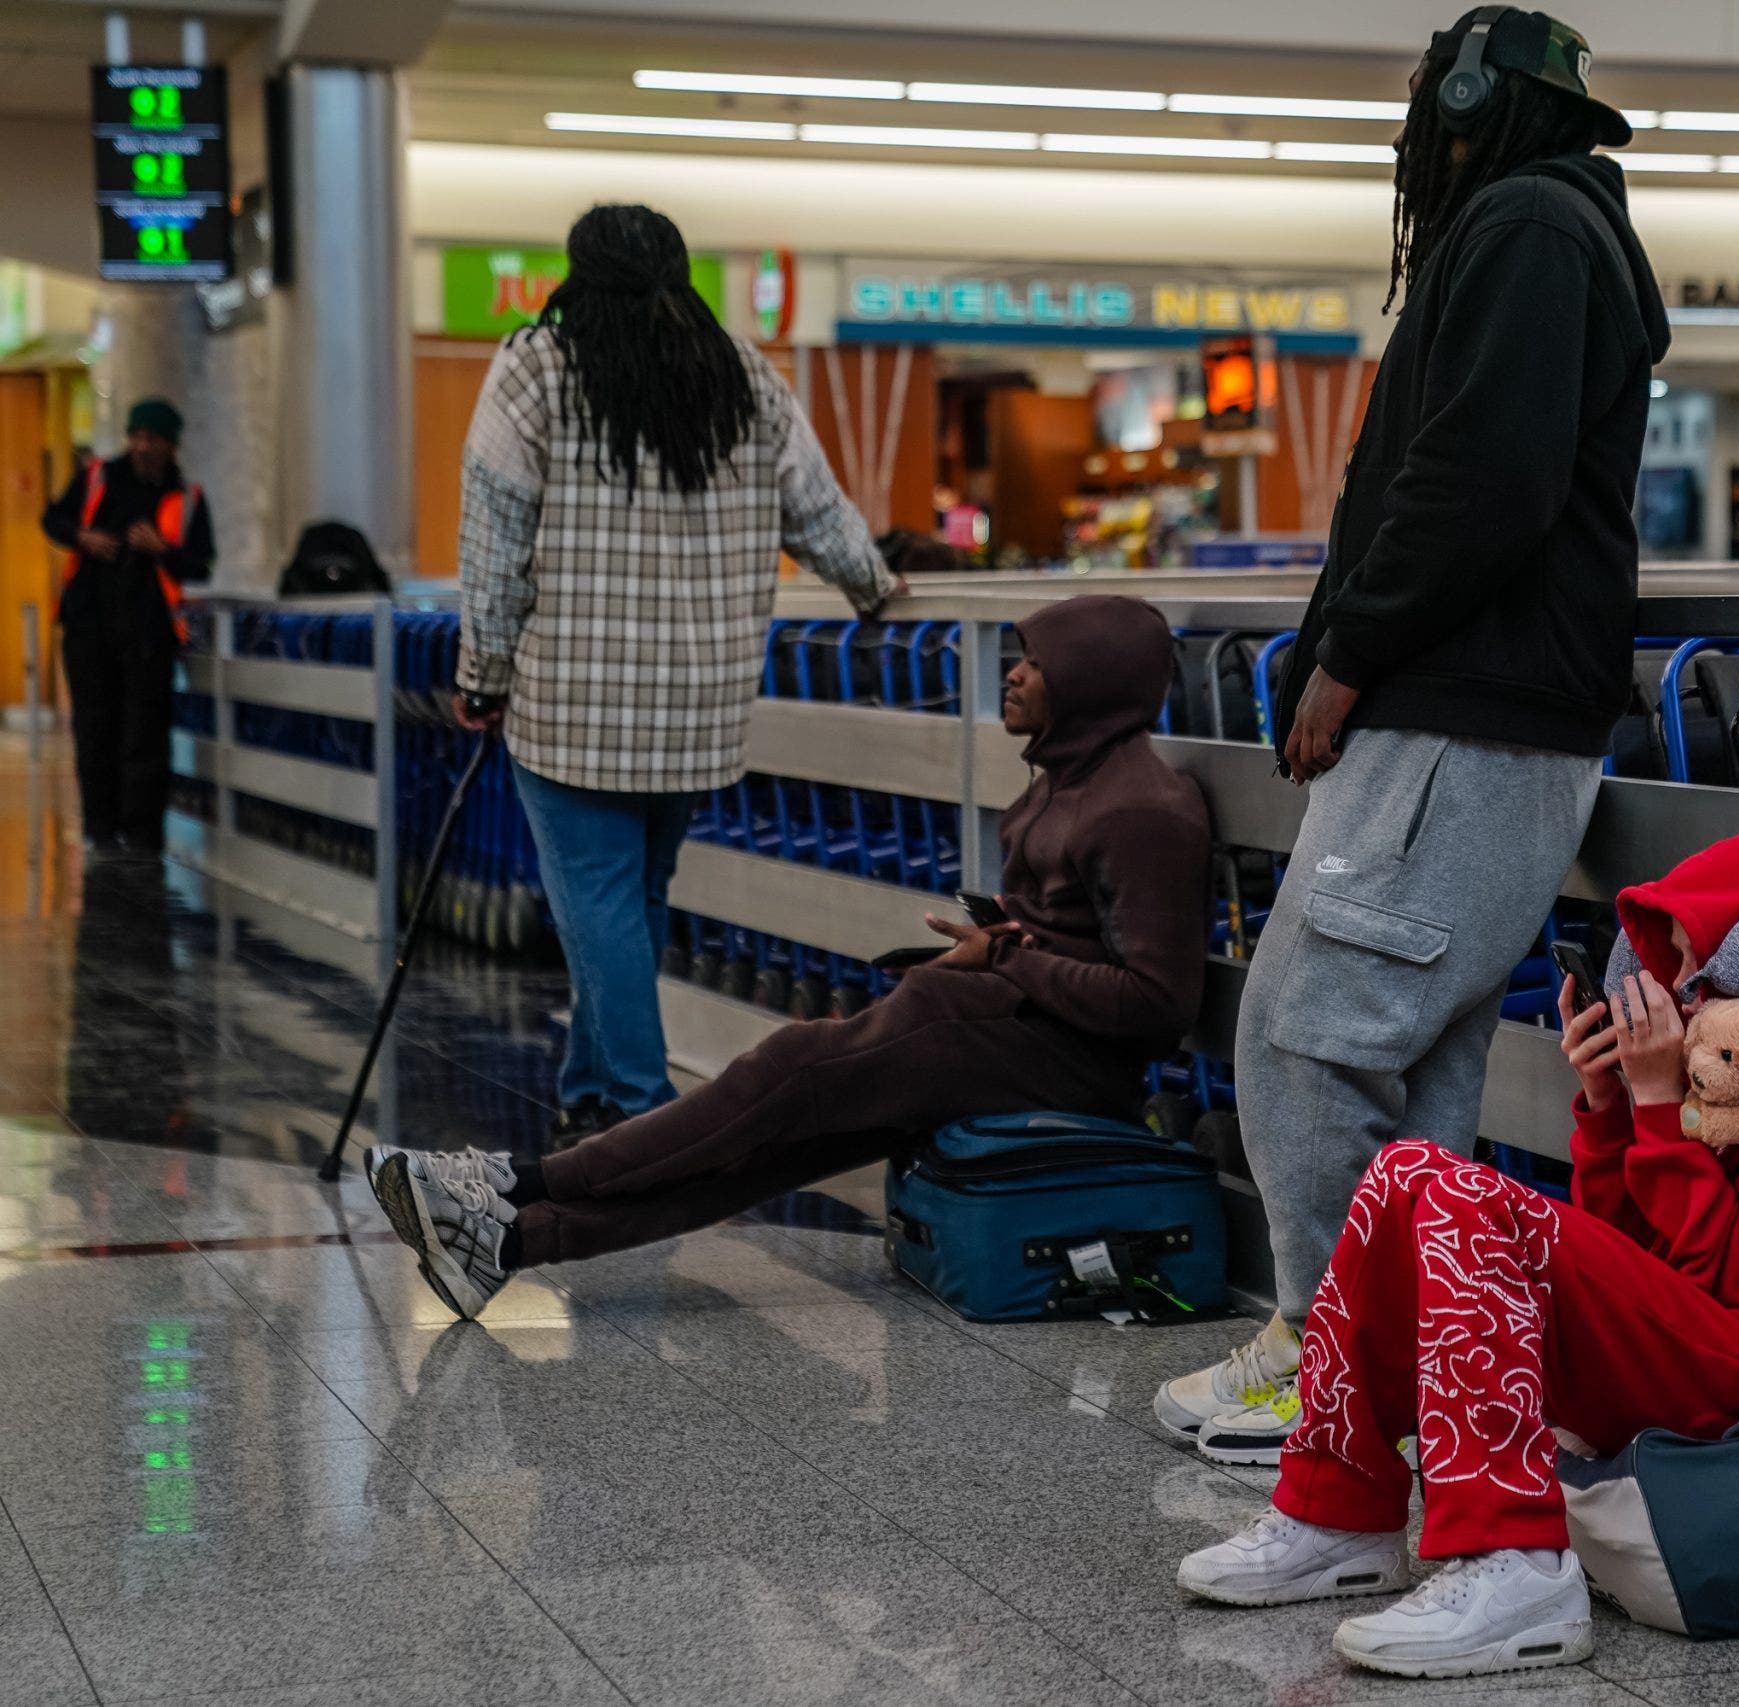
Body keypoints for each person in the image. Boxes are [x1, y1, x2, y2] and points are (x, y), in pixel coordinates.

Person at [1157, 4, 1670, 1464]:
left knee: (1307, 1030)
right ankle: (1425, 1370)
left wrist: (1353, 651)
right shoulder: (1538, 230)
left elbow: (1477, 481)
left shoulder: (1527, 229)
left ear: (1467, 97)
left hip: (1468, 719)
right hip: (1480, 721)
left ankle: (1336, 1353)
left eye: (1417, 99)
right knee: (1421, 1063)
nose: (1407, 131)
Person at [1176, 831, 1739, 1679]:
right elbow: (1631, 1247)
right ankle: (1339, 1508)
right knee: (1406, 1172)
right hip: (1712, 1342)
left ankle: (1518, 1565)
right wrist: (1612, 1105)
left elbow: (1730, 1271)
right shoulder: (1717, 1072)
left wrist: (1653, 1105)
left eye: (1695, 970)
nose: (1677, 996)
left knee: (1470, 1201)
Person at [366, 594, 1212, 1323]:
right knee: (774, 1145)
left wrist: (1006, 957)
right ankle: (512, 1241)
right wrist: (998, 948)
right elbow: (1056, 934)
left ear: (1093, 682)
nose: (1016, 674)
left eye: (1038, 662)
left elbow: (1156, 1001)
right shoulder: (1067, 778)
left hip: (1057, 1060)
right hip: (1004, 1027)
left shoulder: (1142, 810)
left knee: (789, 1068)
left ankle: (515, 1182)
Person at [451, 203, 900, 1141]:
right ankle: (589, 1083)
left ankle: (643, 1111)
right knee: (630, 898)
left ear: (577, 277)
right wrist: (874, 585)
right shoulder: (740, 372)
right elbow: (815, 509)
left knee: (601, 901)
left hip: (572, 700)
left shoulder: (537, 368)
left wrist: (482, 672)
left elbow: (494, 535)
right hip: (698, 702)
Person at [41, 399, 215, 857]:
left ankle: (141, 837)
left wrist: (161, 549)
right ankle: (100, 830)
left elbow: (200, 565)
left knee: (145, 736)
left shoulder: (188, 497)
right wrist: (84, 537)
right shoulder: (98, 477)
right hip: (89, 628)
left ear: (171, 446)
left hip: (149, 634)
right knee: (95, 731)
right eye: (136, 436)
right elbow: (52, 519)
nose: (142, 447)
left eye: (153, 439)